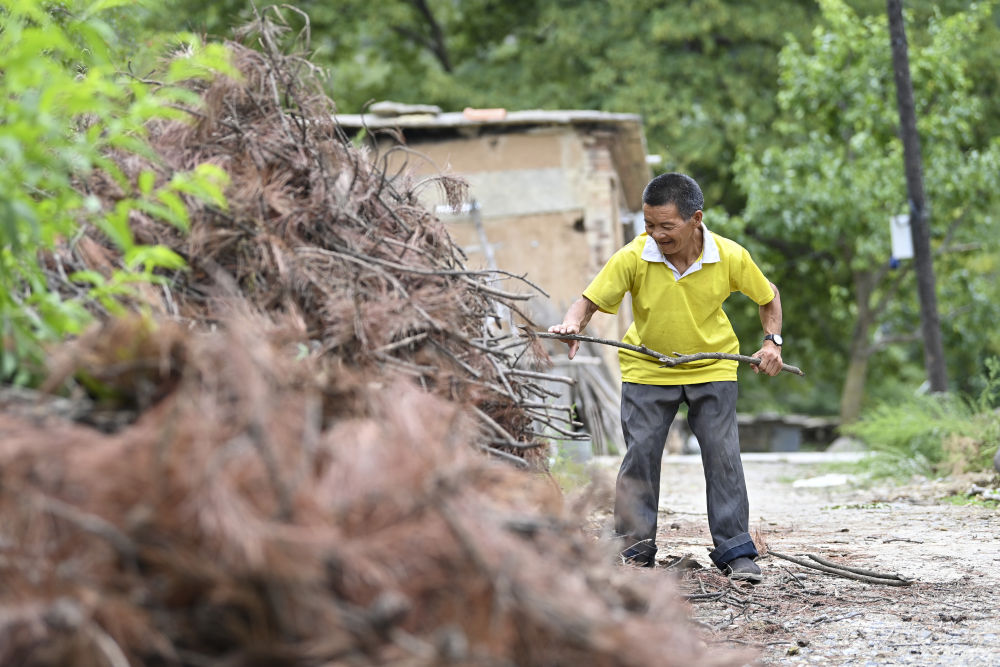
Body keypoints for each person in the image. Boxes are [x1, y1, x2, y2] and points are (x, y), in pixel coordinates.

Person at [549, 172, 783, 582]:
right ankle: (632, 549)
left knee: (722, 453)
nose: (656, 234)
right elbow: (588, 301)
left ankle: (735, 551)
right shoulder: (634, 256)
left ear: (696, 219)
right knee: (640, 454)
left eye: (666, 226)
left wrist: (771, 343)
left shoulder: (728, 256)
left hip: (712, 367)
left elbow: (768, 296)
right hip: (647, 367)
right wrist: (572, 324)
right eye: (649, 225)